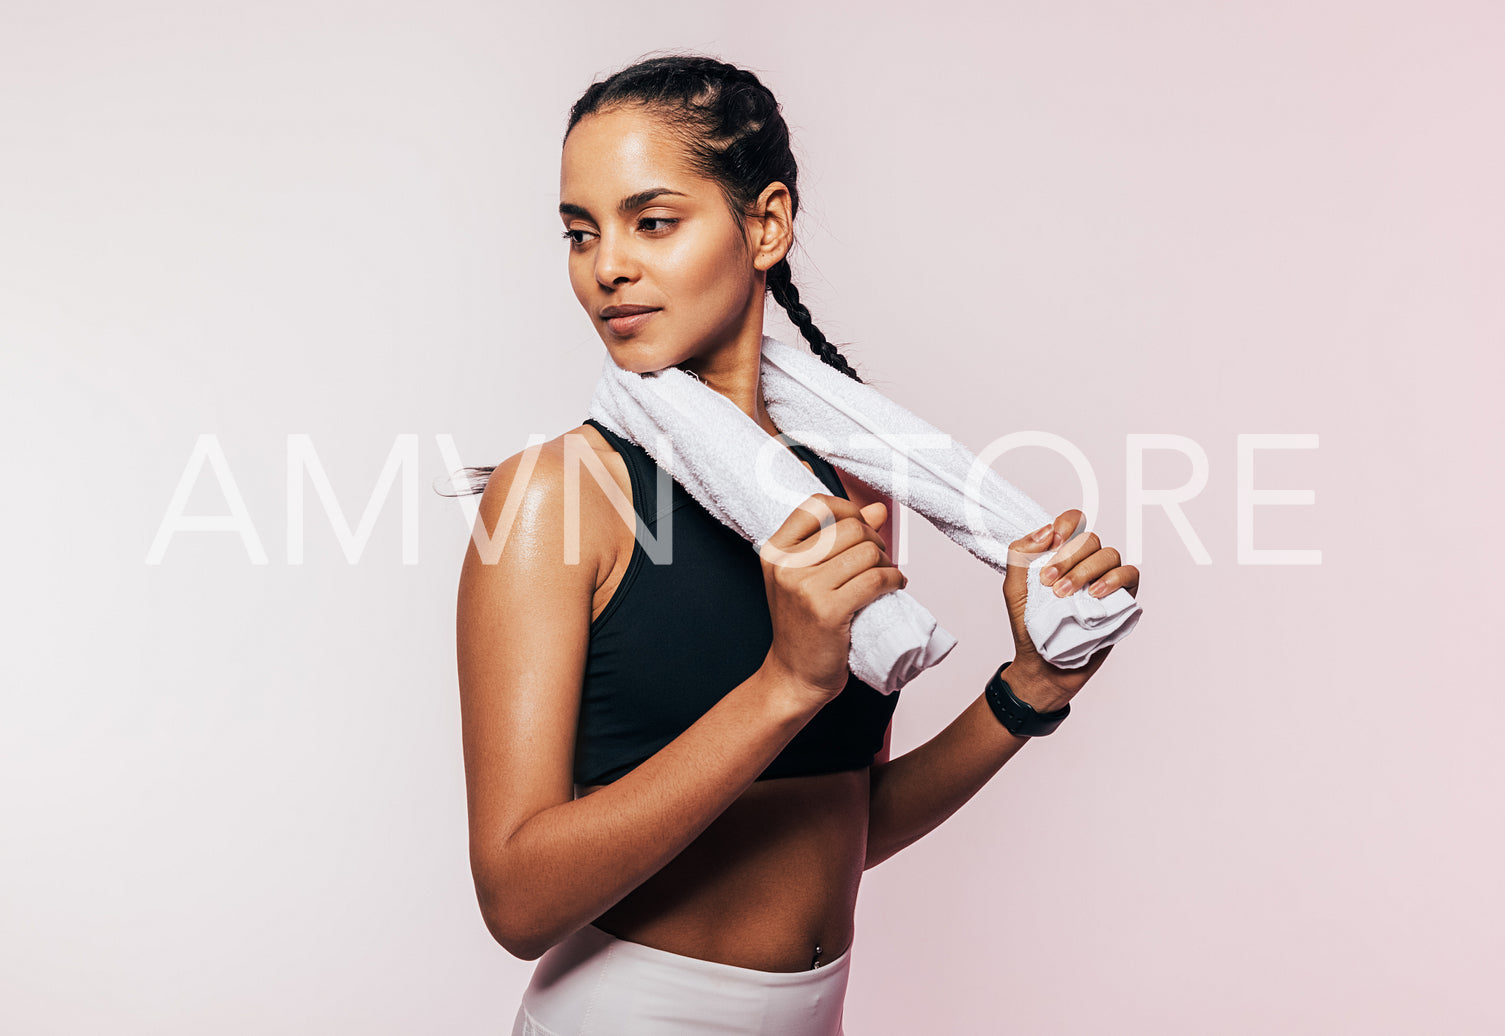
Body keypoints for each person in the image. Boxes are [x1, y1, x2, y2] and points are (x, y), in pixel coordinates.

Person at [453, 53, 1141, 1036]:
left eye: (651, 221)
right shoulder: (558, 497)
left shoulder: (852, 489)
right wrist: (785, 681)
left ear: (764, 224)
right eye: (579, 232)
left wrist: (1027, 690)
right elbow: (516, 900)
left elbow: (844, 821)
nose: (605, 265)